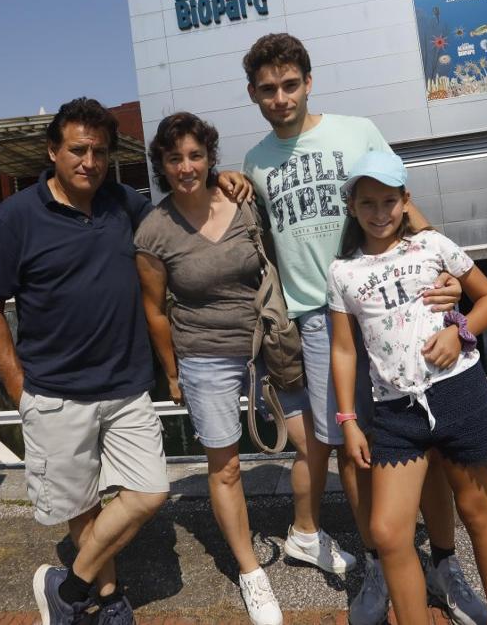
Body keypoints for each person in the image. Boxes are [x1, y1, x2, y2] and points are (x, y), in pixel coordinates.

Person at [240, 33, 487, 625]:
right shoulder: (253, 162)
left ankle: (445, 563)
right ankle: (379, 563)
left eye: (290, 85)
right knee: (355, 451)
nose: (281, 98)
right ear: (253, 94)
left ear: (309, 80)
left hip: (396, 306)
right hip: (322, 321)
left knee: (425, 438)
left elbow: (404, 202)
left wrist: (444, 270)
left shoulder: (357, 131)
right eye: (268, 89)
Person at [0, 97, 251, 625]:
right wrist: (16, 386)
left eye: (99, 151)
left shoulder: (125, 204)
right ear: (53, 151)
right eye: (77, 149)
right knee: (80, 508)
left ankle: (69, 587)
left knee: (150, 492)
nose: (89, 161)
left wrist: (223, 180)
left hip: (126, 386)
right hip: (53, 390)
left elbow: (184, 205)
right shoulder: (15, 218)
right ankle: (106, 598)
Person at [134, 112, 341, 625]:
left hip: (269, 342)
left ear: (210, 157)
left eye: (196, 155)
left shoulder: (243, 200)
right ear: (161, 163)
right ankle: (251, 572)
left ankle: (305, 533)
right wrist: (173, 373)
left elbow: (280, 255)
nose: (186, 167)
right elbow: (155, 310)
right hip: (204, 352)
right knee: (224, 467)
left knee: (315, 439)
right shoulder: (154, 232)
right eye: (175, 157)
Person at [329, 151, 487, 625]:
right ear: (351, 205)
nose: (378, 212)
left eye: (389, 200)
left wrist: (461, 331)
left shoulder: (433, 245)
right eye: (366, 202)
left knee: (476, 509)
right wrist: (348, 420)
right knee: (388, 532)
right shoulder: (342, 272)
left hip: (459, 392)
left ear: (406, 200)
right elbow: (345, 350)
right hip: (396, 411)